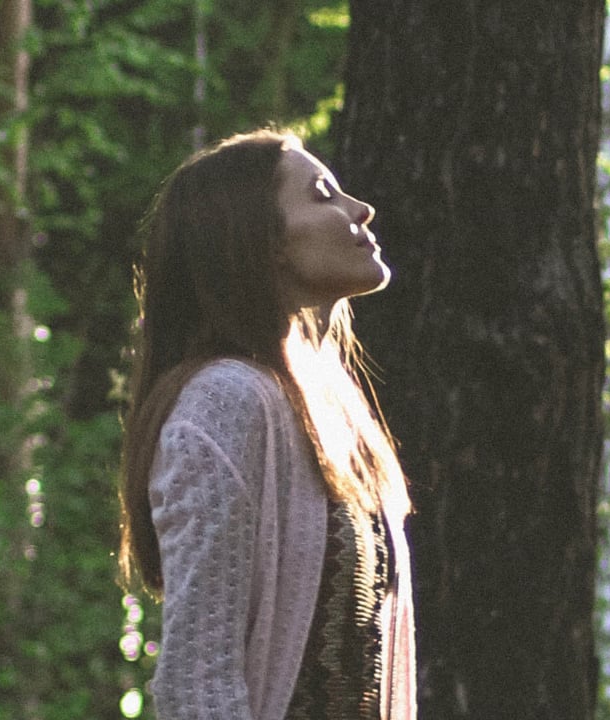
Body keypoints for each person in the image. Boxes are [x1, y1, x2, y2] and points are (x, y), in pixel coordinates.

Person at [116, 128, 416, 720]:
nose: (361, 209)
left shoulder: (329, 410)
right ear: (262, 239)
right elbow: (197, 681)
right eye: (324, 194)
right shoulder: (227, 403)